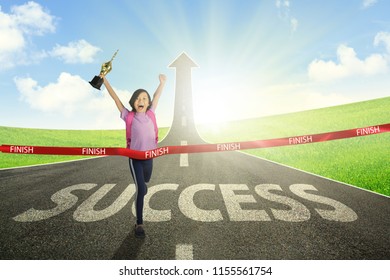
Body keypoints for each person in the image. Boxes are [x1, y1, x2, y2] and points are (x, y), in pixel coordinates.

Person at [102, 73, 167, 238]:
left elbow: (156, 95)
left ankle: (144, 186)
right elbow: (115, 99)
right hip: (135, 159)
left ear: (148, 103)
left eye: (144, 98)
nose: (141, 101)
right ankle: (139, 222)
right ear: (133, 102)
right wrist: (104, 80)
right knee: (140, 190)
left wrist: (162, 83)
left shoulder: (151, 114)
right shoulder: (128, 116)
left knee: (145, 184)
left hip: (149, 158)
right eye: (138, 98)